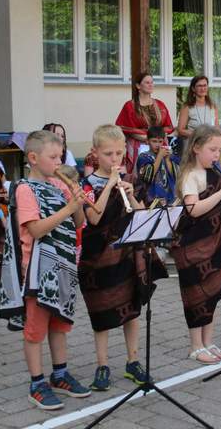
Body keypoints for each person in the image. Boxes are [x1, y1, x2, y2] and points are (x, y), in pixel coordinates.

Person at [0, 130, 90, 410]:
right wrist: (68, 208)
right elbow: (36, 229)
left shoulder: (59, 186)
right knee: (36, 330)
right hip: (38, 271)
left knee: (60, 325)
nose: (58, 162)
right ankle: (37, 383)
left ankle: (59, 374)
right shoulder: (25, 189)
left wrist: (76, 202)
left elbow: (78, 223)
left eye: (60, 156)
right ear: (34, 158)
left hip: (63, 267)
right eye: (53, 157)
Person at [80, 125, 166, 391]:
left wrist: (129, 194)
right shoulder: (87, 184)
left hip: (127, 255)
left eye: (118, 153)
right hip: (99, 258)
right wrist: (108, 185)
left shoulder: (130, 178)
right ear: (95, 153)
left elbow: (140, 214)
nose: (114, 159)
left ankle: (133, 361)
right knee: (102, 312)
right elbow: (93, 217)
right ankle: (102, 365)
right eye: (108, 154)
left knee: (132, 309)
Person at [171, 125, 221, 364]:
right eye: (212, 149)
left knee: (212, 293)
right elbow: (194, 210)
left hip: (217, 242)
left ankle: (208, 341)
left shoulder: (216, 173)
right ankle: (195, 345)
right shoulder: (191, 175)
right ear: (195, 148)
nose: (217, 155)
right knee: (196, 296)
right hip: (194, 245)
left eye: (219, 150)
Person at [116, 72, 174, 173]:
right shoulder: (130, 106)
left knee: (161, 172)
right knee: (141, 173)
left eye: (152, 82)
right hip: (138, 145)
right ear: (138, 86)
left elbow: (168, 126)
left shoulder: (160, 104)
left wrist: (158, 136)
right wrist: (148, 138)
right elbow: (125, 127)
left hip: (159, 142)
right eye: (147, 82)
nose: (151, 84)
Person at [135, 126, 180, 206]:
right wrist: (159, 156)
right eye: (154, 141)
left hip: (169, 197)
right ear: (147, 141)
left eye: (160, 141)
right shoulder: (143, 157)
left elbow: (175, 176)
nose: (158, 145)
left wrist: (167, 159)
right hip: (150, 198)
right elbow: (148, 177)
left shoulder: (167, 155)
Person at [176, 75, 220, 140]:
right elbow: (180, 130)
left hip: (210, 142)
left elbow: (216, 127)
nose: (203, 89)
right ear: (193, 89)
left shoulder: (212, 105)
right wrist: (198, 134)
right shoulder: (187, 107)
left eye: (205, 85)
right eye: (199, 86)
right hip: (194, 142)